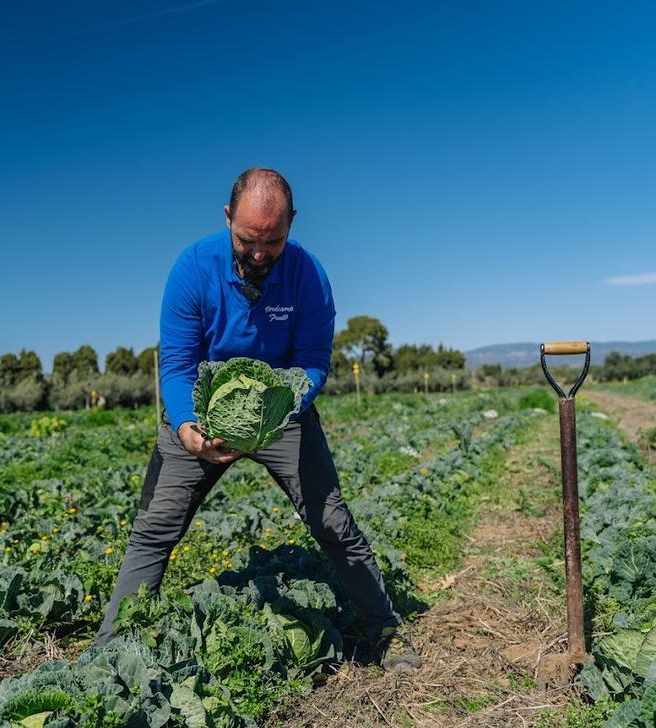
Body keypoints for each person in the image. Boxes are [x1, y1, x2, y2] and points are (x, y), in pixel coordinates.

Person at [94, 167, 420, 671]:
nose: (261, 254)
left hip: (281, 412)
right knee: (156, 525)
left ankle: (384, 629)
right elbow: (177, 366)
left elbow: (313, 358)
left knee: (331, 519)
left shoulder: (309, 276)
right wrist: (186, 427)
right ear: (228, 219)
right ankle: (110, 652)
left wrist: (281, 406)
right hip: (203, 414)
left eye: (274, 241)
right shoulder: (192, 269)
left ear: (291, 223)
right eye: (249, 240)